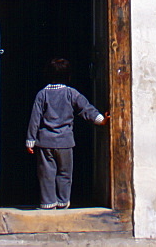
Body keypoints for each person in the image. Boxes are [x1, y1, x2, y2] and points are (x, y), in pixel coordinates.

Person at [25, 57, 107, 210]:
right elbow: (86, 109)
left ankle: (48, 203)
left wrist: (30, 141)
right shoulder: (71, 93)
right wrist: (101, 119)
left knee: (46, 174)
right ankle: (63, 201)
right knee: (64, 173)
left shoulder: (42, 94)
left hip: (45, 142)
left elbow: (35, 119)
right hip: (65, 142)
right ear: (68, 75)